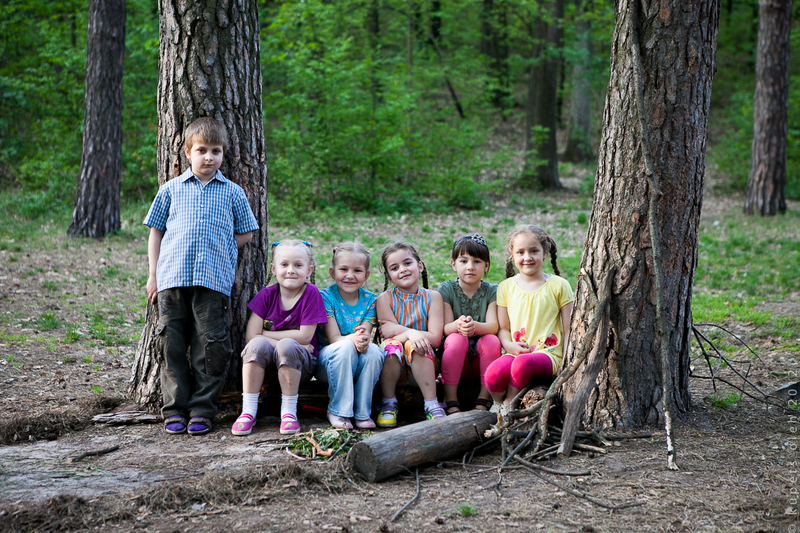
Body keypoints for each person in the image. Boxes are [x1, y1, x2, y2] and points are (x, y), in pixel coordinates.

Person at [144, 117, 259, 436]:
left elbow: (247, 232)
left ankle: (202, 409)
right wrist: (153, 274)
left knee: (210, 346)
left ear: (223, 154)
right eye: (202, 150)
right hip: (172, 279)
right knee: (171, 344)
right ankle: (174, 409)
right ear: (187, 152)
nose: (209, 157)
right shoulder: (171, 190)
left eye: (216, 151)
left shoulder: (232, 192)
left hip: (213, 280)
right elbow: (156, 232)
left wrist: (221, 245)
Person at [231, 240, 327, 436]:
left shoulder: (311, 294)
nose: (291, 270)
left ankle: (289, 413)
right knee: (257, 344)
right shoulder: (266, 295)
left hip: (300, 366)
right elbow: (252, 336)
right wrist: (272, 339)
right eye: (284, 264)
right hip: (267, 367)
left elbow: (305, 336)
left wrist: (266, 334)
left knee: (288, 346)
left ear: (309, 270)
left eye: (298, 265)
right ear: (274, 269)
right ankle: (248, 411)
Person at [484, 225, 574, 422]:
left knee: (522, 364)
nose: (527, 257)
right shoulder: (505, 287)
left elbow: (569, 329)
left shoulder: (559, 285)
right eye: (520, 252)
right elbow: (504, 328)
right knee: (493, 373)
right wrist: (509, 345)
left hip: (548, 354)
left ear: (544, 252)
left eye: (534, 251)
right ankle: (497, 402)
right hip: (515, 351)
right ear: (512, 255)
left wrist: (565, 362)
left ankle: (509, 404)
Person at [375, 242, 445, 427]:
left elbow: (436, 339)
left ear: (420, 266)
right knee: (392, 346)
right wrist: (412, 333)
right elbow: (389, 338)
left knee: (416, 344)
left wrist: (407, 334)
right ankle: (388, 403)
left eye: (407, 263)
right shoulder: (384, 299)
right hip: (394, 370)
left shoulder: (433, 297)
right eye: (394, 268)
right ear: (388, 277)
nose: (403, 270)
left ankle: (432, 404)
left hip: (425, 368)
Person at [316, 243, 383, 429]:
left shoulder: (371, 300)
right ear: (332, 272)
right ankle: (338, 410)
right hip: (328, 363)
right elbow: (334, 338)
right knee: (345, 346)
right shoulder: (325, 297)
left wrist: (362, 338)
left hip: (356, 359)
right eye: (343, 269)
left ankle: (362, 413)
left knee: (374, 351)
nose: (350, 276)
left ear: (366, 275)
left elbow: (364, 334)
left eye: (357, 270)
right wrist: (354, 339)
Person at [438, 234, 501, 414]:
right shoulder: (446, 290)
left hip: (481, 360)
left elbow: (493, 326)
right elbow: (445, 328)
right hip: (455, 358)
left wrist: (475, 326)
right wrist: (458, 325)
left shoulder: (492, 291)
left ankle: (484, 397)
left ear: (486, 265)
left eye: (477, 261)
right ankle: (450, 398)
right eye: (464, 261)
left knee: (492, 340)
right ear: (453, 264)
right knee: (456, 339)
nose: (470, 267)